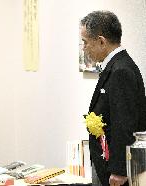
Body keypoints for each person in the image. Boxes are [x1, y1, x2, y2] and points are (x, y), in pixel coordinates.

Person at [81, 11, 146, 186]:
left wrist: (119, 170)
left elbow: (124, 122)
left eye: (85, 42)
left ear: (101, 41)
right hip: (107, 165)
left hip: (117, 173)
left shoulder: (121, 70)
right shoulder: (116, 65)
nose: (83, 48)